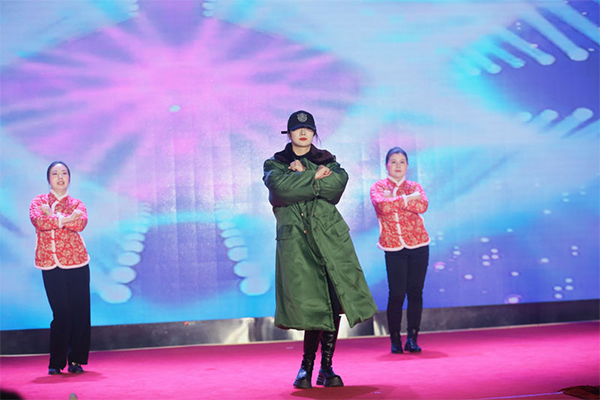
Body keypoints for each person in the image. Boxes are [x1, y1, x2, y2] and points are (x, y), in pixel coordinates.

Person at [263, 110, 378, 389]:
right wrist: (316, 179)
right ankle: (306, 366)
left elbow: (336, 187)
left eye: (308, 129)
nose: (303, 133)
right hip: (299, 244)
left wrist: (305, 175)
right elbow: (280, 190)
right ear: (289, 133)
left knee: (332, 302)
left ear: (314, 133)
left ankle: (326, 367)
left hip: (331, 240)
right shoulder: (275, 163)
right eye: (297, 129)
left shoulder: (329, 161)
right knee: (313, 303)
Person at [29, 161, 91, 375]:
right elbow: (39, 222)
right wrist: (66, 219)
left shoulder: (77, 203)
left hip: (77, 262)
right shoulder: (39, 201)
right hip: (50, 263)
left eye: (64, 173)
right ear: (49, 179)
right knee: (61, 312)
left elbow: (80, 224)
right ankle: (56, 362)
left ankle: (77, 360)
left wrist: (53, 217)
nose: (60, 177)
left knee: (80, 311)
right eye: (55, 173)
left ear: (69, 177)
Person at [370, 147, 430, 354]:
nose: (397, 165)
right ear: (386, 165)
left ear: (407, 165)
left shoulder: (415, 186)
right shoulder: (378, 187)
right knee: (396, 294)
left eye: (402, 162)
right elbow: (382, 207)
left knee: (415, 292)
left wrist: (397, 200)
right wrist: (407, 200)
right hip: (394, 246)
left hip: (419, 244)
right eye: (393, 161)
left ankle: (412, 338)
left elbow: (422, 206)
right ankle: (395, 339)